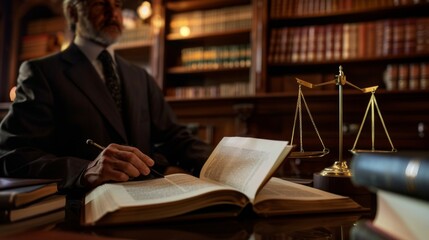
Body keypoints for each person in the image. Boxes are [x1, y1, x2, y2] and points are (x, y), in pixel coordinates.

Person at [0, 0, 212, 190]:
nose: (113, 13)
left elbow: (175, 137)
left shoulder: (140, 76)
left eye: (118, 5)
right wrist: (85, 170)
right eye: (100, 4)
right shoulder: (41, 72)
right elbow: (12, 154)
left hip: (147, 201)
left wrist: (220, 161)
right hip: (79, 208)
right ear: (73, 14)